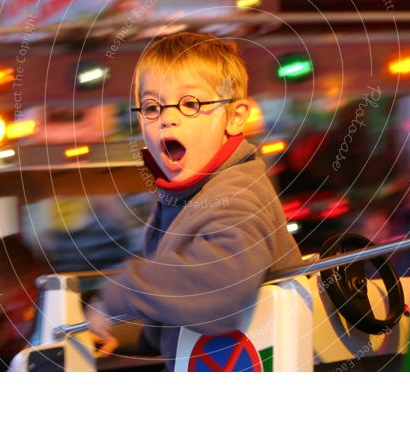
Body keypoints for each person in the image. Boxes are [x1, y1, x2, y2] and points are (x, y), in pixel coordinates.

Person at [85, 32, 302, 370]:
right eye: (152, 107)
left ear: (235, 117)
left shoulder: (237, 194)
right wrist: (123, 331)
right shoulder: (186, 199)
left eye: (190, 104)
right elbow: (180, 311)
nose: (167, 118)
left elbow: (220, 291)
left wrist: (120, 293)